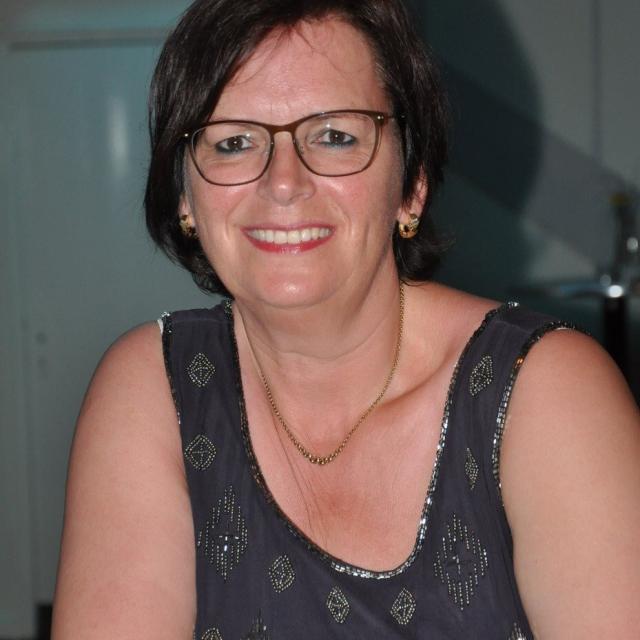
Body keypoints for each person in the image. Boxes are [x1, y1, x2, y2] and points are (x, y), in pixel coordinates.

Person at [52, 0, 640, 637]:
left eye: (335, 136)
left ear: (412, 183)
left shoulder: (545, 393)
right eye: (234, 142)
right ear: (185, 196)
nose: (283, 182)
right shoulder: (153, 390)